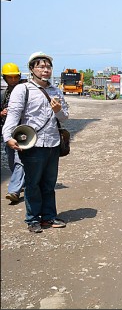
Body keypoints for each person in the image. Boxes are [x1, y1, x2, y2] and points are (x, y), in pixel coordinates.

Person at [2, 52, 70, 233]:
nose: (45, 70)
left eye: (48, 66)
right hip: (32, 145)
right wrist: (7, 136)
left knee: (49, 183)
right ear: (32, 69)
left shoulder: (56, 91)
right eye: (40, 66)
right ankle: (32, 219)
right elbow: (13, 115)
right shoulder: (22, 90)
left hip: (53, 144)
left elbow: (65, 118)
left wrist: (58, 111)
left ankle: (48, 217)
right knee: (32, 183)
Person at [1, 62, 26, 203]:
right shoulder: (3, 94)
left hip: (23, 131)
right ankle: (22, 182)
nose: (13, 80)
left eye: (15, 77)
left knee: (19, 160)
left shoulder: (26, 90)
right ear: (5, 78)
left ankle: (14, 191)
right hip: (8, 131)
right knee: (11, 159)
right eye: (10, 77)